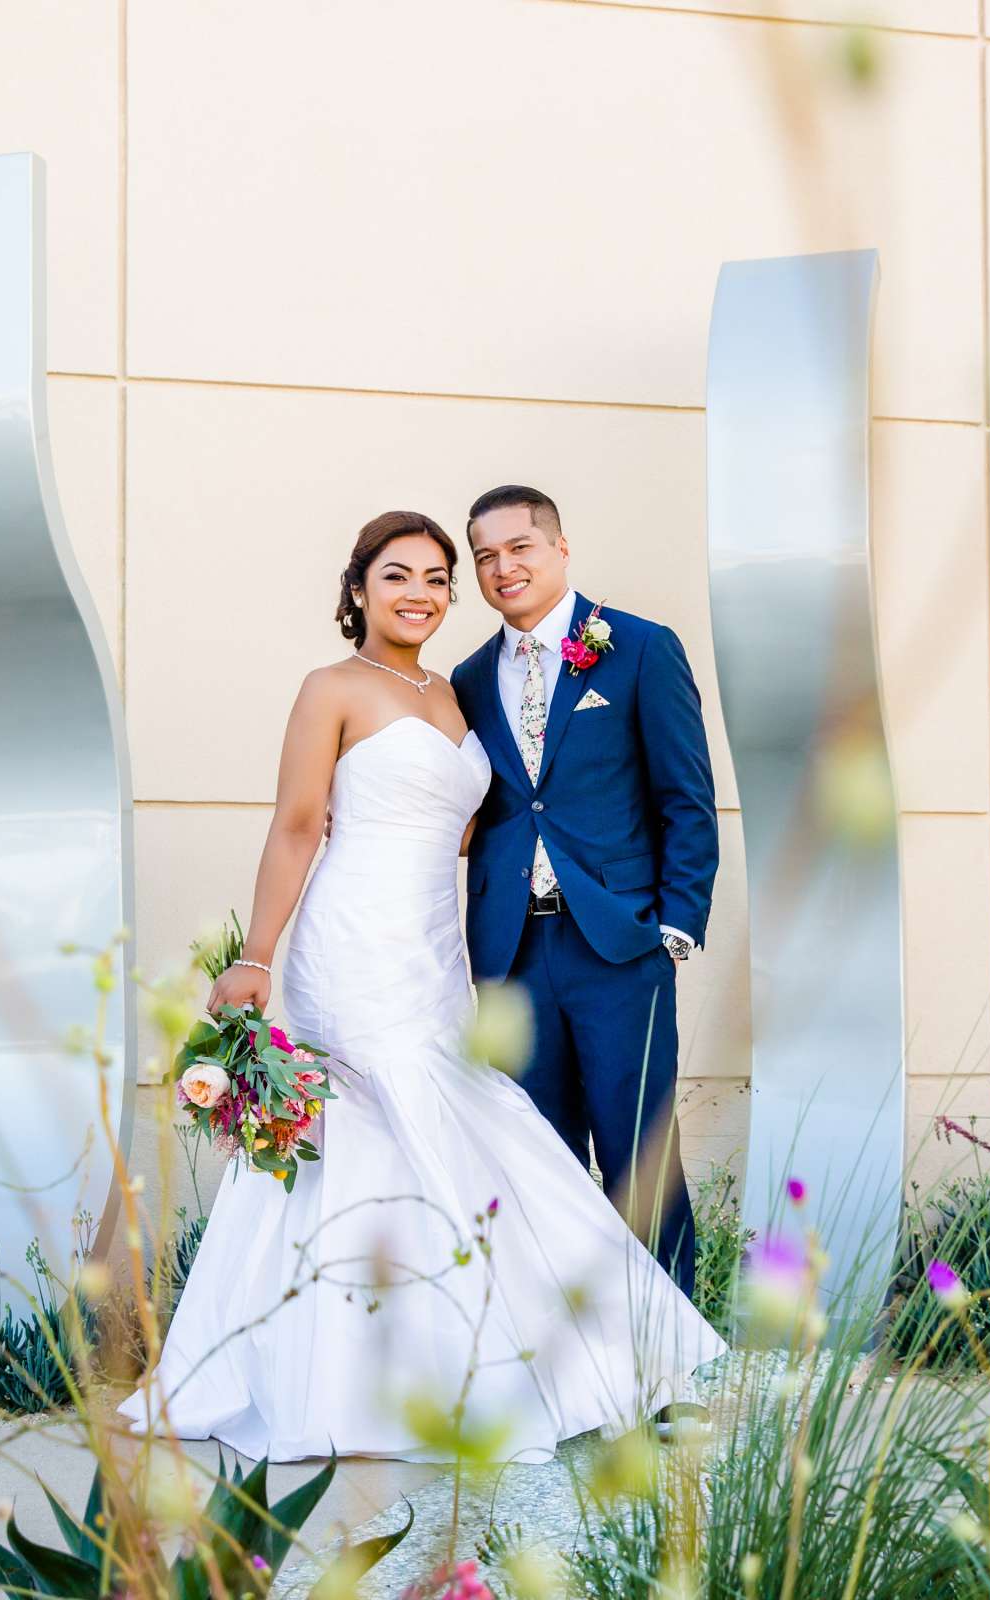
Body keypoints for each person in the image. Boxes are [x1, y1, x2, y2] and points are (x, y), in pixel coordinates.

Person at [120, 510, 720, 1463]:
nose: (427, 591)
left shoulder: (456, 691)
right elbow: (298, 825)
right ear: (358, 589)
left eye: (442, 576)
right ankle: (349, 1380)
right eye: (401, 575)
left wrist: (670, 918)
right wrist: (258, 955)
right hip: (353, 941)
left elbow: (508, 814)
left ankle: (569, 1360)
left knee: (511, 1143)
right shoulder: (333, 688)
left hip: (442, 948)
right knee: (371, 1140)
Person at [450, 485, 717, 1295]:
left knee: (641, 1153)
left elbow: (686, 798)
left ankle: (672, 1360)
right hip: (514, 951)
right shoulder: (467, 678)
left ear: (560, 550)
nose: (503, 568)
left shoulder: (638, 648)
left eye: (519, 548)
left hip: (618, 948)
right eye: (486, 557)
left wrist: (675, 927)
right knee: (542, 1158)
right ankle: (579, 1366)